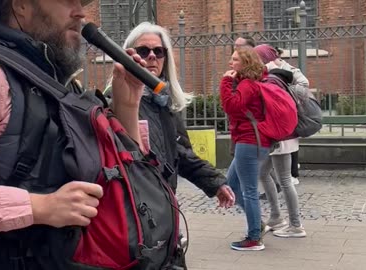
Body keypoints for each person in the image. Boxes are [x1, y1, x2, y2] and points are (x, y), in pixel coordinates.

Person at [0, 0, 153, 269]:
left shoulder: (56, 82)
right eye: (68, 1)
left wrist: (127, 107)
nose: (80, 12)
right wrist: (41, 207)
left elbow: (121, 181)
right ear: (21, 6)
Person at [105, 22, 235, 209]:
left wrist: (215, 183)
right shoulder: (115, 101)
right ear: (129, 55)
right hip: (134, 204)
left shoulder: (163, 101)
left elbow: (181, 152)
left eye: (158, 51)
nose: (152, 56)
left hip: (164, 201)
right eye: (143, 50)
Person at [254, 44, 307, 238]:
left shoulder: (273, 78)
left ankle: (296, 225)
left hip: (280, 136)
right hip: (282, 135)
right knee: (263, 172)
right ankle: (276, 216)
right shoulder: (274, 76)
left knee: (285, 179)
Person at [220, 47, 270, 251]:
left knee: (249, 191)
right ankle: (257, 224)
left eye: (235, 59)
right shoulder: (249, 82)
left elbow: (231, 106)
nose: (230, 63)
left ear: (245, 63)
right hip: (250, 141)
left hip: (249, 141)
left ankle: (254, 238)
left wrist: (225, 82)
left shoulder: (248, 84)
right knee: (231, 185)